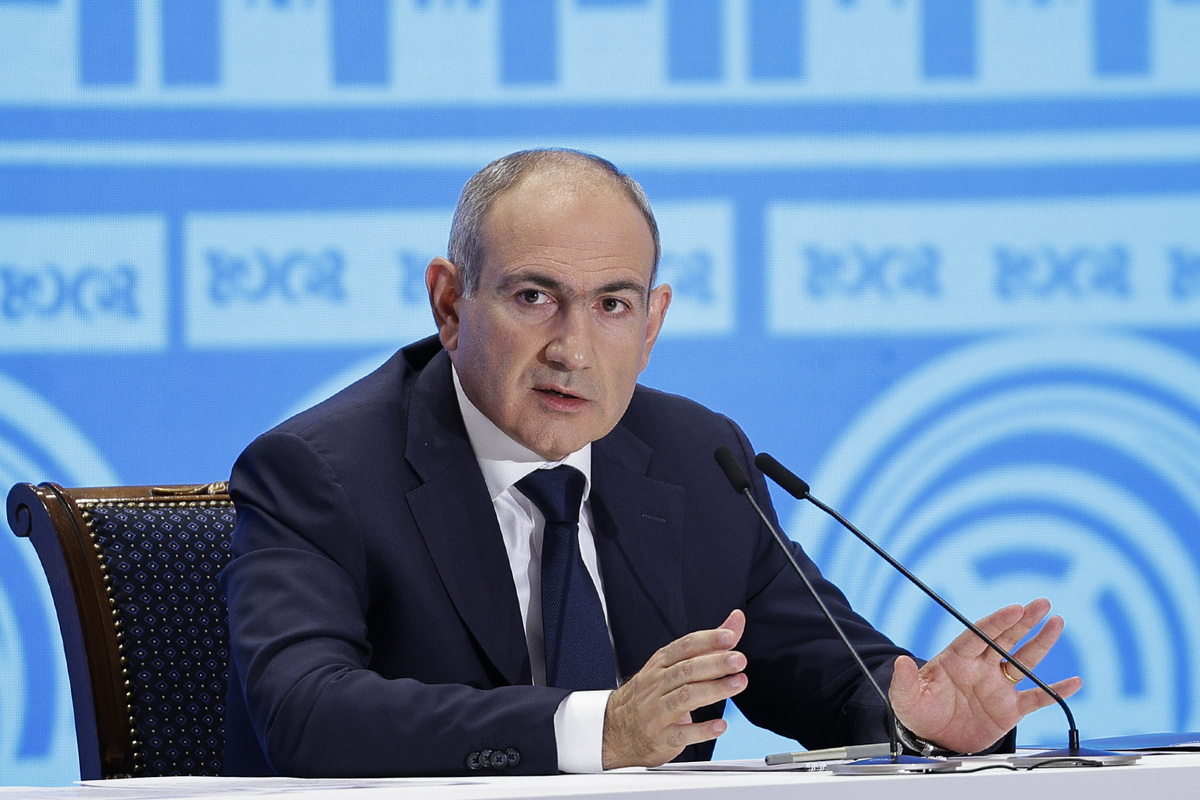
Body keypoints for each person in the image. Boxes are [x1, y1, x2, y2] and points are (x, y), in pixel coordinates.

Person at [220, 149, 1080, 777]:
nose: (573, 349)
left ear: (653, 322)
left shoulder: (698, 457)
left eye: (612, 305)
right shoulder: (320, 471)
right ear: (451, 303)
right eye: (533, 297)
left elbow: (827, 676)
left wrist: (920, 722)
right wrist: (597, 729)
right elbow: (306, 711)